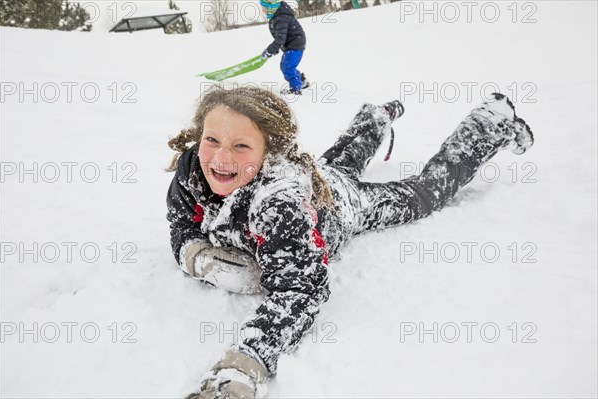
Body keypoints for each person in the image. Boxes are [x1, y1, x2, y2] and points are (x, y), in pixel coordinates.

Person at [166, 87, 534, 398]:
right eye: (211, 139)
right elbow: (182, 222)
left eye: (241, 145)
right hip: (319, 176)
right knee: (339, 161)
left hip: (342, 207)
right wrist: (199, 257)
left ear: (270, 151)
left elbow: (299, 292)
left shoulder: (280, 205)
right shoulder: (194, 172)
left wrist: (242, 366)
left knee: (422, 194)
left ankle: (490, 125)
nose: (221, 157)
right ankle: (377, 116)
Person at [259, 0, 309, 95]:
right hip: (293, 43)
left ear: (270, 7)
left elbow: (280, 38)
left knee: (287, 67)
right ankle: (302, 81)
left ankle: (296, 89)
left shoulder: (281, 17)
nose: (262, 10)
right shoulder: (277, 16)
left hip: (295, 44)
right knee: (287, 66)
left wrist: (270, 50)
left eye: (263, 7)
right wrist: (275, 49)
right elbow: (281, 37)